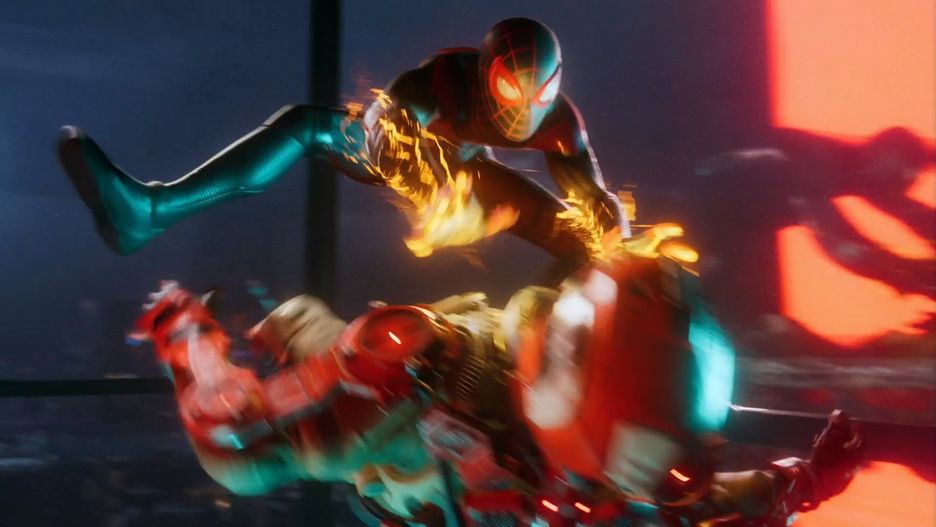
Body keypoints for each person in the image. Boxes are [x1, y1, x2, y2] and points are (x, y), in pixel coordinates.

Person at [58, 18, 627, 260]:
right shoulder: (441, 81)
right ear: (485, 74)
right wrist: (427, 184)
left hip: (470, 176)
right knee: (306, 124)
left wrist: (612, 233)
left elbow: (592, 197)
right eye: (509, 87)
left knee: (589, 244)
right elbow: (384, 127)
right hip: (403, 153)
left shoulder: (560, 124)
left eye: (538, 93)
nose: (523, 105)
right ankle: (151, 211)